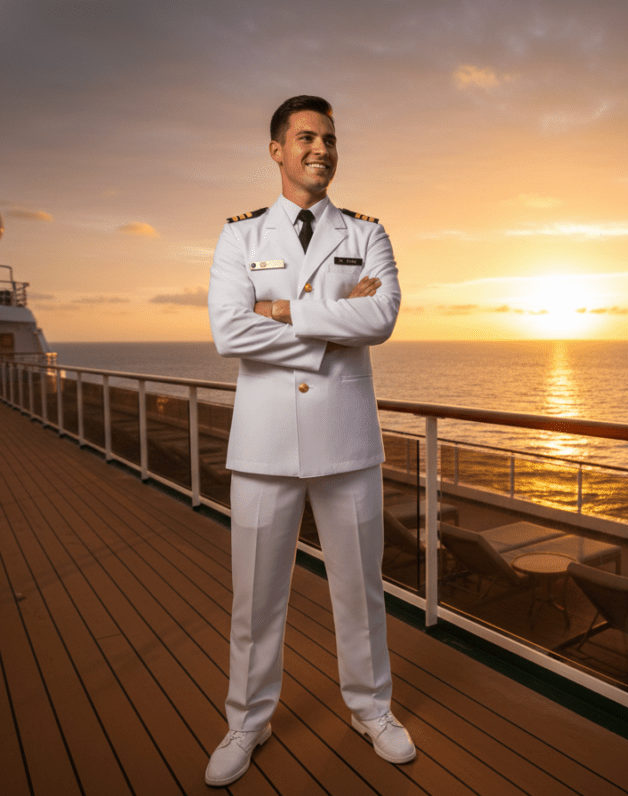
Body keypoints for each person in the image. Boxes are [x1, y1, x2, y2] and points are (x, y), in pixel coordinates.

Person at [204, 95, 413, 788]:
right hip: (263, 447)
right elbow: (230, 332)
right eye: (305, 137)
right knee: (255, 599)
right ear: (277, 150)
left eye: (328, 137)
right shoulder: (239, 236)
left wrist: (284, 310)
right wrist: (331, 328)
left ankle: (371, 709)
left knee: (361, 592)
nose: (319, 148)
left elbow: (380, 316)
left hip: (347, 443)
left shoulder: (367, 232)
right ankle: (248, 721)